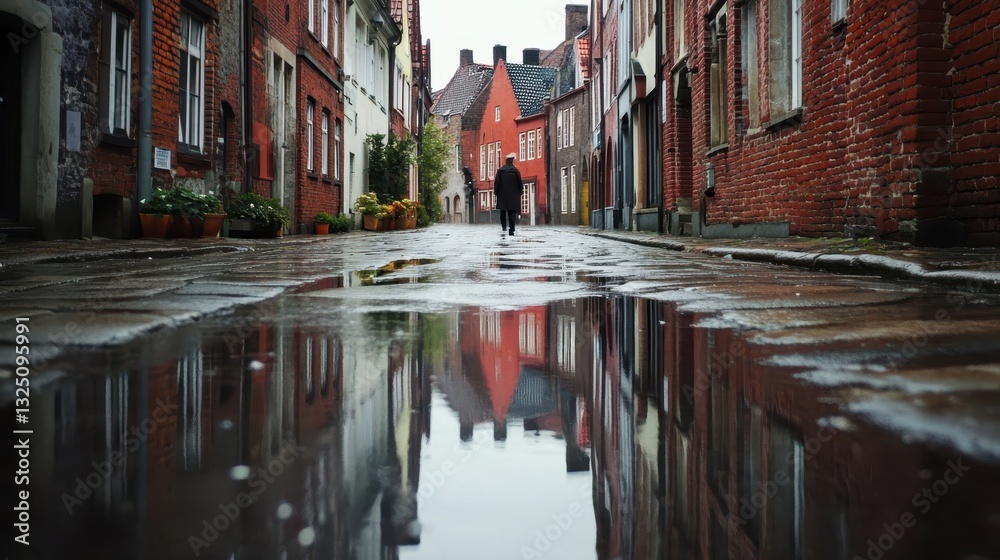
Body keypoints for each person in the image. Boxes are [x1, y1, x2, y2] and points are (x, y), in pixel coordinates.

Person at [494, 153, 524, 236]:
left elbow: (497, 183)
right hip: (513, 195)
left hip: (502, 195)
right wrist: (520, 191)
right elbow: (519, 183)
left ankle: (504, 227)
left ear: (506, 161)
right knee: (512, 212)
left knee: (502, 212)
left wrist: (496, 193)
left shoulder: (500, 171)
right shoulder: (515, 171)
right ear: (512, 161)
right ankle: (512, 228)